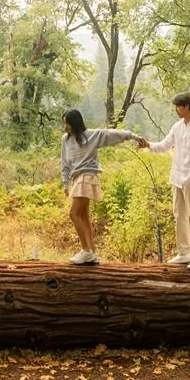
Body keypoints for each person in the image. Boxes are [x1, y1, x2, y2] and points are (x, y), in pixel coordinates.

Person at [137, 92, 190, 270]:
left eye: (178, 107)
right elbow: (165, 144)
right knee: (179, 215)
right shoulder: (177, 127)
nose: (176, 110)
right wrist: (148, 145)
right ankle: (184, 253)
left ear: (187, 106)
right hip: (177, 178)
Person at [60, 109, 143, 265]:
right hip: (76, 178)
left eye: (68, 123)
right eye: (64, 123)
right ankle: (92, 252)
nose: (65, 126)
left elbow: (112, 134)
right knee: (83, 216)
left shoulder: (92, 135)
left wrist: (133, 136)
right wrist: (65, 183)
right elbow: (64, 163)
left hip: (88, 175)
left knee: (74, 214)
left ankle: (85, 251)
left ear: (75, 123)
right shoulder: (65, 139)